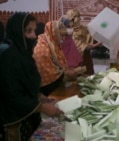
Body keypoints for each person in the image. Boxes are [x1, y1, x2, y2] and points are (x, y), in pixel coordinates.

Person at [0, 12, 62, 141]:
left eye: (34, 30)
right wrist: (43, 107)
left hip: (29, 115)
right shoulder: (9, 59)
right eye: (29, 31)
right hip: (15, 122)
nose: (34, 36)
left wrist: (42, 97)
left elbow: (26, 86)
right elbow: (13, 96)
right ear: (17, 32)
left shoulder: (25, 56)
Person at [32, 18, 85, 96]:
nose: (63, 39)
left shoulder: (53, 44)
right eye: (62, 35)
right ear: (54, 33)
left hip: (56, 86)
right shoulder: (42, 49)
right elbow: (50, 74)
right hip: (46, 92)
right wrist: (67, 74)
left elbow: (60, 66)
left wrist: (68, 72)